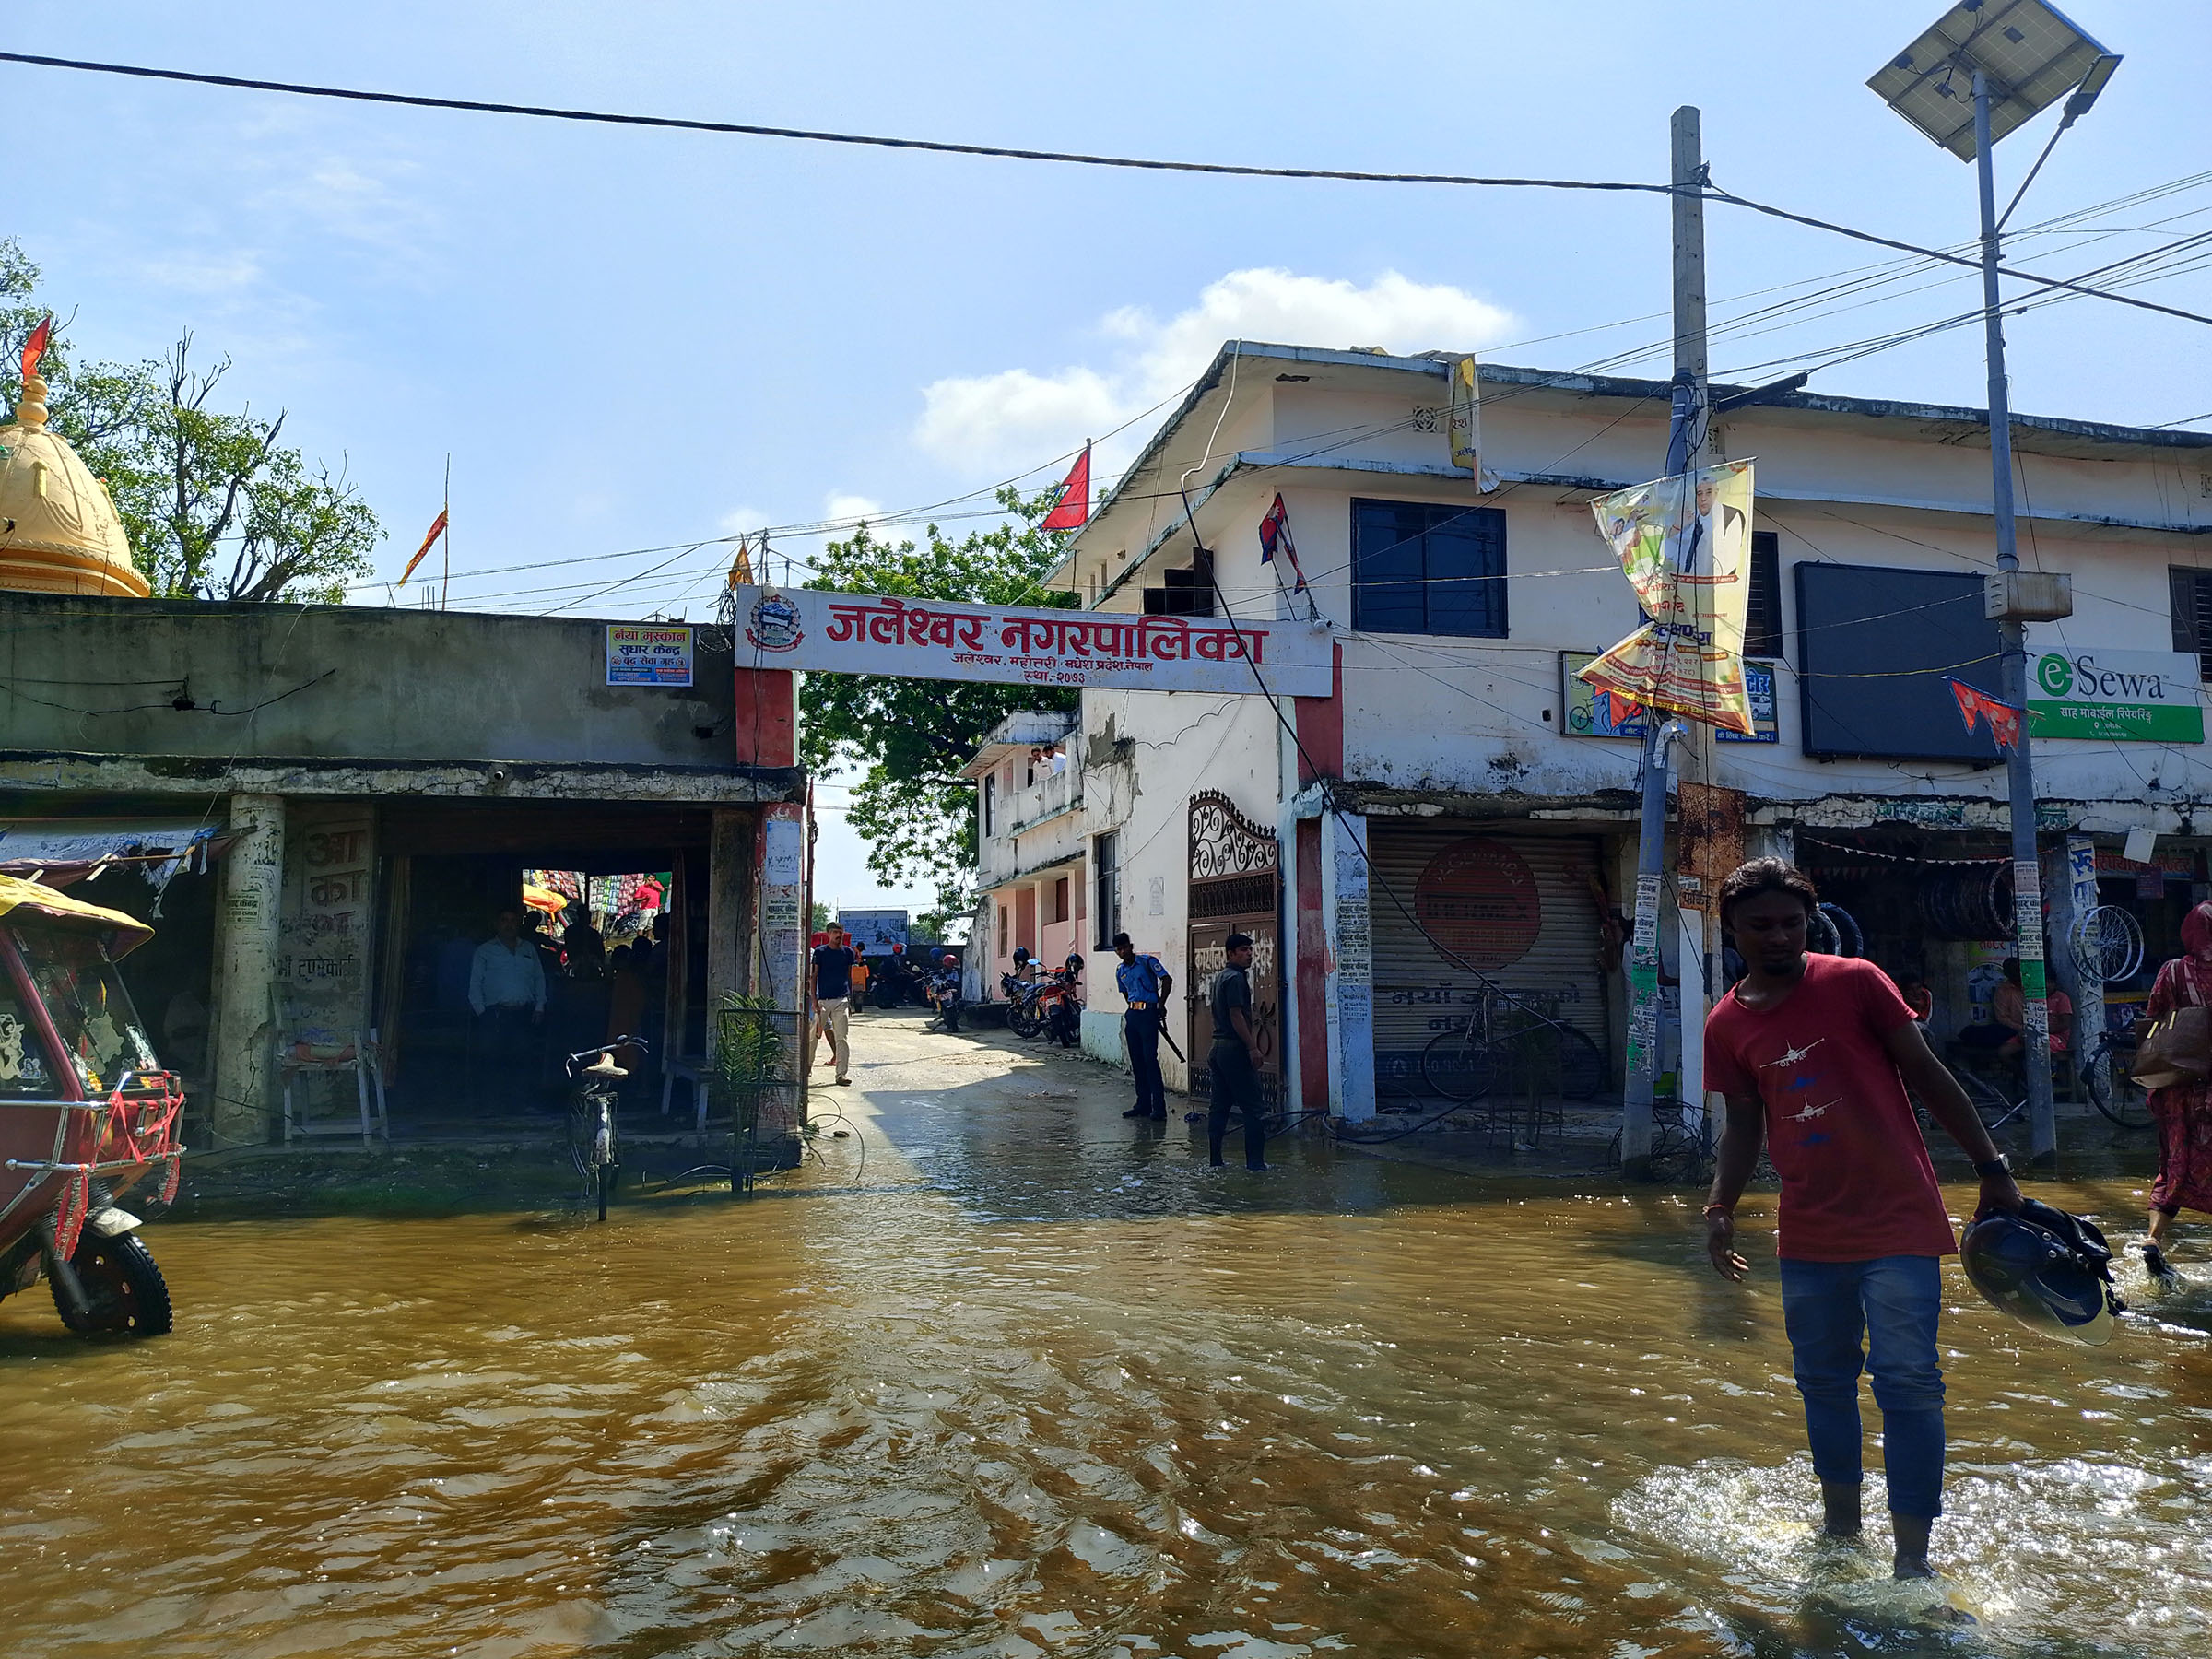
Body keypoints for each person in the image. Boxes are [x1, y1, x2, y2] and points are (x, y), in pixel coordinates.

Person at [1701, 857, 2025, 1582]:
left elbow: (1928, 1075)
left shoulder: (1855, 982)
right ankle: (1841, 1537)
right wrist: (1721, 1206)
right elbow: (1743, 1125)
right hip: (1810, 1230)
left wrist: (1991, 1168)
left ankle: (1913, 1560)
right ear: (1731, 930)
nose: (1779, 937)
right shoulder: (1725, 1023)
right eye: (1761, 926)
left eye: (1792, 923)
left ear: (1808, 923)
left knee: (1909, 1380)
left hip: (1901, 1219)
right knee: (1821, 1381)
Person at [2139, 900, 2212, 1282]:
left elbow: (2154, 1018)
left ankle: (2153, 1239)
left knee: (2173, 1166)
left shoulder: (2172, 972)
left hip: (2179, 1090)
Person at [470, 908, 548, 1112]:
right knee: (493, 1061)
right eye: (504, 920)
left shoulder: (528, 949)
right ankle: (492, 1106)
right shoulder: (485, 951)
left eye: (513, 920)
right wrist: (482, 1013)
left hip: (523, 1013)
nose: (509, 924)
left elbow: (539, 978)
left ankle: (521, 1104)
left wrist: (540, 1006)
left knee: (523, 1060)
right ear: (497, 924)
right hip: (495, 1014)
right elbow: (475, 985)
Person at [1206, 933, 1267, 1171]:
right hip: (1233, 1048)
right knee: (1254, 1109)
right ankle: (1256, 1165)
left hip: (1218, 1049)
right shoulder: (1235, 979)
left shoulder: (1222, 977)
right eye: (1243, 950)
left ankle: (1215, 1162)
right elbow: (1235, 1014)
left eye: (1250, 950)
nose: (1249, 954)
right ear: (1230, 953)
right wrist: (1252, 1046)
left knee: (1218, 1107)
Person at [1113, 933, 1172, 1122]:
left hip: (1149, 1014)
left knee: (1150, 1060)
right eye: (1119, 949)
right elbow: (1125, 993)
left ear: (1131, 946)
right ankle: (1143, 1104)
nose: (1123, 952)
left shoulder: (1147, 962)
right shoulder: (1120, 970)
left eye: (1125, 947)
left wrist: (1161, 1004)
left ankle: (1159, 1107)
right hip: (1133, 1016)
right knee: (1137, 1061)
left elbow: (1166, 979)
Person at [811, 925, 857, 1086]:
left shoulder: (848, 953)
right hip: (823, 1000)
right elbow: (814, 976)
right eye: (835, 933)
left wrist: (850, 999)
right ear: (829, 934)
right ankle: (807, 1069)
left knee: (842, 1038)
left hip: (841, 1000)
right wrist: (814, 1001)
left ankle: (841, 1074)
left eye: (840, 933)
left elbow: (849, 975)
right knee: (814, 1037)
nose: (838, 935)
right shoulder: (820, 952)